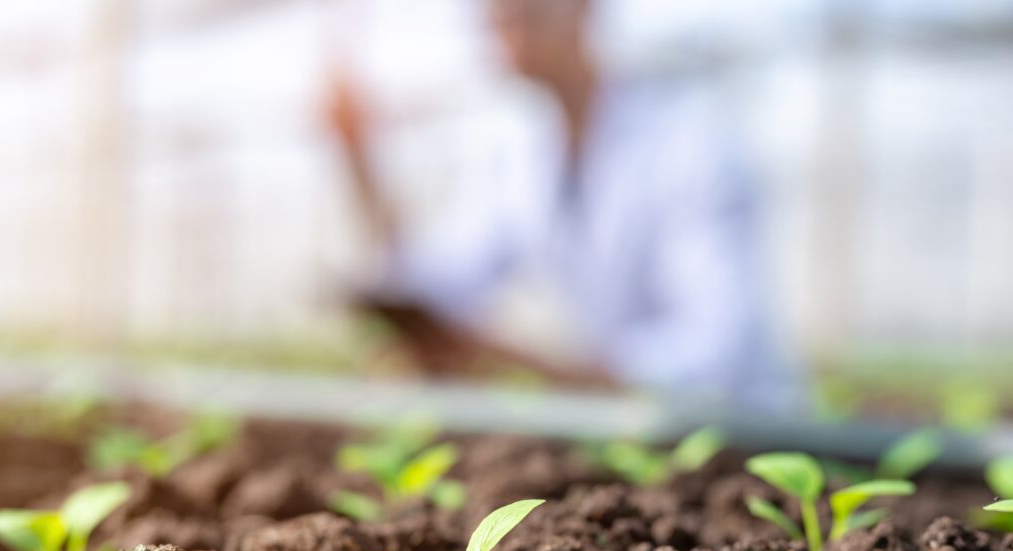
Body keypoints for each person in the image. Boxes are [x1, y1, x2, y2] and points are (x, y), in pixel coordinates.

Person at [326, 0, 799, 409]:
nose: (504, 21)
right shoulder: (522, 155)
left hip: (745, 433)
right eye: (495, 15)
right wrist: (360, 162)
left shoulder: (690, 145)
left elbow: (718, 351)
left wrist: (557, 369)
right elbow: (441, 282)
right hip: (637, 434)